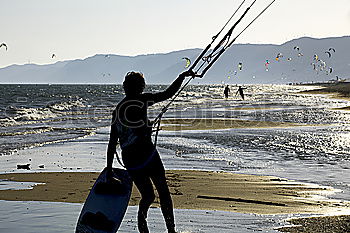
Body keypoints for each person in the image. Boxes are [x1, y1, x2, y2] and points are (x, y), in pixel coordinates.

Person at [106, 70, 194, 233]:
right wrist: (181, 77)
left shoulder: (117, 111)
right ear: (140, 88)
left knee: (148, 196)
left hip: (130, 159)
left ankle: (142, 220)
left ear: (125, 87)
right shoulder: (141, 100)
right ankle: (171, 229)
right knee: (163, 191)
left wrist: (109, 169)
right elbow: (167, 94)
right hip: (146, 154)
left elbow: (112, 142)